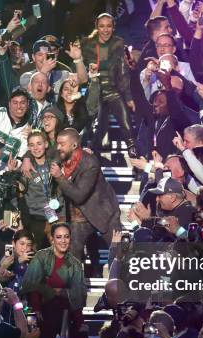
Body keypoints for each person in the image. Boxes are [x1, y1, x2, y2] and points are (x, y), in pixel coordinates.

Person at [20, 222, 92, 338]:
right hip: (43, 311)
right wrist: (51, 293)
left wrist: (51, 289)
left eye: (66, 236)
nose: (63, 241)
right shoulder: (41, 257)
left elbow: (77, 295)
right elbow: (31, 286)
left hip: (68, 311)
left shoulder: (75, 264)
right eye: (58, 237)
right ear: (52, 239)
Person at [50, 128, 121, 274]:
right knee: (72, 252)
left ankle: (121, 284)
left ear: (74, 145)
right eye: (57, 144)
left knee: (119, 251)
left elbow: (79, 195)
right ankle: (74, 288)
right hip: (79, 215)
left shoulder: (90, 163)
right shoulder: (60, 156)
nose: (58, 148)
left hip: (103, 212)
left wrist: (59, 177)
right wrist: (26, 159)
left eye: (62, 144)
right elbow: (42, 153)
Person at [81, 13, 137, 156]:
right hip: (94, 88)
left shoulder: (118, 43)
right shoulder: (87, 44)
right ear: (97, 27)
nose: (105, 30)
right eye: (102, 26)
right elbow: (80, 71)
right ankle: (94, 150)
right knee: (97, 115)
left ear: (113, 28)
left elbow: (123, 72)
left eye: (109, 26)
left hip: (112, 88)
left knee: (125, 119)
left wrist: (129, 97)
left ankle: (133, 151)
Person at [16, 130, 64, 248]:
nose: (36, 148)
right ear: (28, 148)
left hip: (56, 216)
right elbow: (17, 195)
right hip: (36, 219)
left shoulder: (55, 163)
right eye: (32, 145)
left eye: (39, 143)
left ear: (46, 144)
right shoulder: (25, 169)